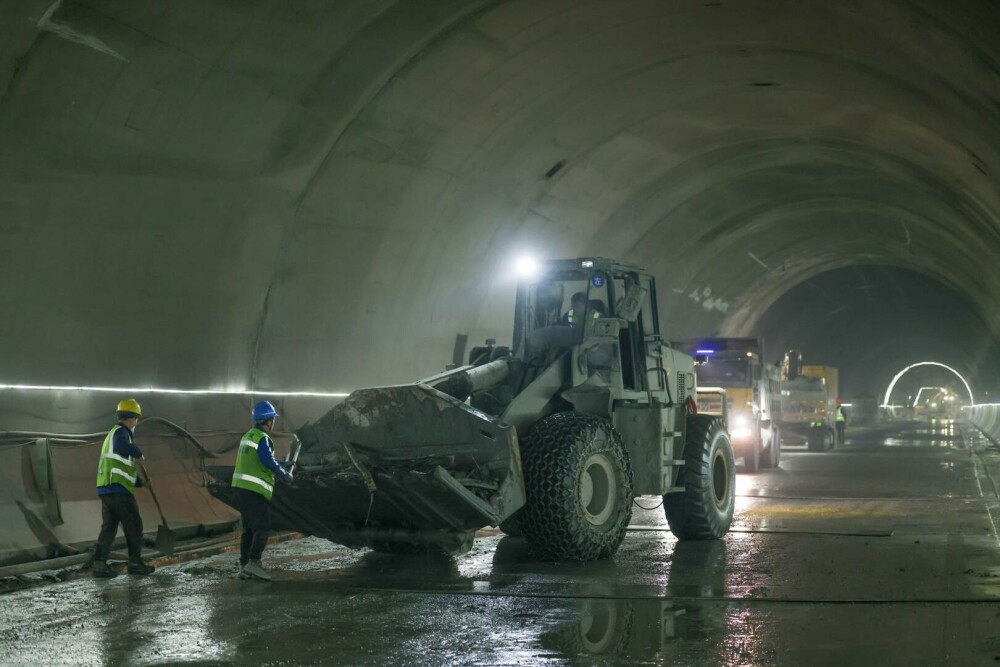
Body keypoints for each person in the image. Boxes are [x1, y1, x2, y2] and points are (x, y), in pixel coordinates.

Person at [92, 399, 155, 577]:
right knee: (134, 524)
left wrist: (141, 483)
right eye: (136, 419)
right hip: (118, 489)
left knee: (109, 527)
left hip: (107, 488)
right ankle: (135, 563)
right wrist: (138, 452)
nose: (136, 424)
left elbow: (123, 469)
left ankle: (99, 565)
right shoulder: (121, 433)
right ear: (132, 419)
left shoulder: (113, 434)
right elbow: (123, 448)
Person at [232, 400, 293, 581]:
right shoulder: (263, 438)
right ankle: (254, 562)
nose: (273, 422)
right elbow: (267, 461)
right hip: (253, 491)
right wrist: (284, 474)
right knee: (263, 527)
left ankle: (244, 566)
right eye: (273, 419)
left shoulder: (248, 436)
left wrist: (281, 464)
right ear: (268, 421)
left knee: (249, 529)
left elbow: (259, 460)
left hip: (240, 490)